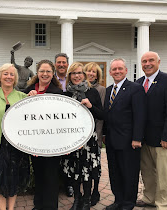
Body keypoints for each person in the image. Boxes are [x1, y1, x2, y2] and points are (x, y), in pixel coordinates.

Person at [136, 51, 167, 210]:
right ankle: (149, 198)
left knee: (164, 175)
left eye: (151, 60)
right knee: (147, 173)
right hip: (144, 138)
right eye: (144, 61)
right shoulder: (139, 82)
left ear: (158, 62)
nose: (147, 64)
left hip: (163, 139)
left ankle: (164, 204)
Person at [0, 63, 30, 210]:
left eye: (12, 74)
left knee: (14, 178)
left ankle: (11, 207)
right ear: (0, 77)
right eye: (6, 74)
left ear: (15, 78)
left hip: (16, 146)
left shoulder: (22, 96)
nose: (9, 77)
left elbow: (29, 121)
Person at [103, 58, 146, 210]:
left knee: (129, 173)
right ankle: (118, 200)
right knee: (115, 173)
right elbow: (107, 115)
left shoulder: (135, 88)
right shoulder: (108, 90)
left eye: (120, 68)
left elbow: (140, 115)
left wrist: (137, 138)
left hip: (129, 142)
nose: (117, 71)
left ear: (126, 70)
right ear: (110, 72)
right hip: (112, 141)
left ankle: (128, 203)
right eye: (114, 69)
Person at [62, 62, 103, 210]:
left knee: (87, 170)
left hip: (88, 139)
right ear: (70, 76)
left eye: (79, 73)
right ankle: (77, 200)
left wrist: (91, 106)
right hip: (71, 139)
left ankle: (86, 199)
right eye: (73, 73)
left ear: (83, 75)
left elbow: (102, 115)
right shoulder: (65, 95)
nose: (77, 76)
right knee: (74, 170)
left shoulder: (92, 92)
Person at [24, 59, 63, 210]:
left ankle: (50, 206)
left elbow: (60, 119)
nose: (45, 74)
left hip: (52, 142)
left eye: (48, 71)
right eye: (42, 71)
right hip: (34, 142)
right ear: (37, 72)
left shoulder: (57, 92)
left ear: (52, 74)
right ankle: (38, 204)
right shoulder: (28, 90)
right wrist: (27, 99)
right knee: (39, 174)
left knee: (51, 176)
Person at [84, 62, 106, 206]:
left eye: (94, 72)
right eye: (88, 71)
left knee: (95, 165)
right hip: (83, 135)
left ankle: (95, 192)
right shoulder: (82, 88)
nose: (91, 74)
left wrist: (99, 136)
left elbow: (101, 114)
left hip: (95, 133)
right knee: (85, 166)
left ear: (98, 75)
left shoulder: (101, 90)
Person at [54, 53, 73, 197]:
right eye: (59, 62)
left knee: (69, 155)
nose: (61, 65)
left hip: (69, 121)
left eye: (64, 62)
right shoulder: (50, 78)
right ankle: (55, 184)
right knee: (55, 156)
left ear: (67, 64)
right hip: (53, 121)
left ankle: (68, 185)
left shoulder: (72, 79)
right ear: (55, 64)